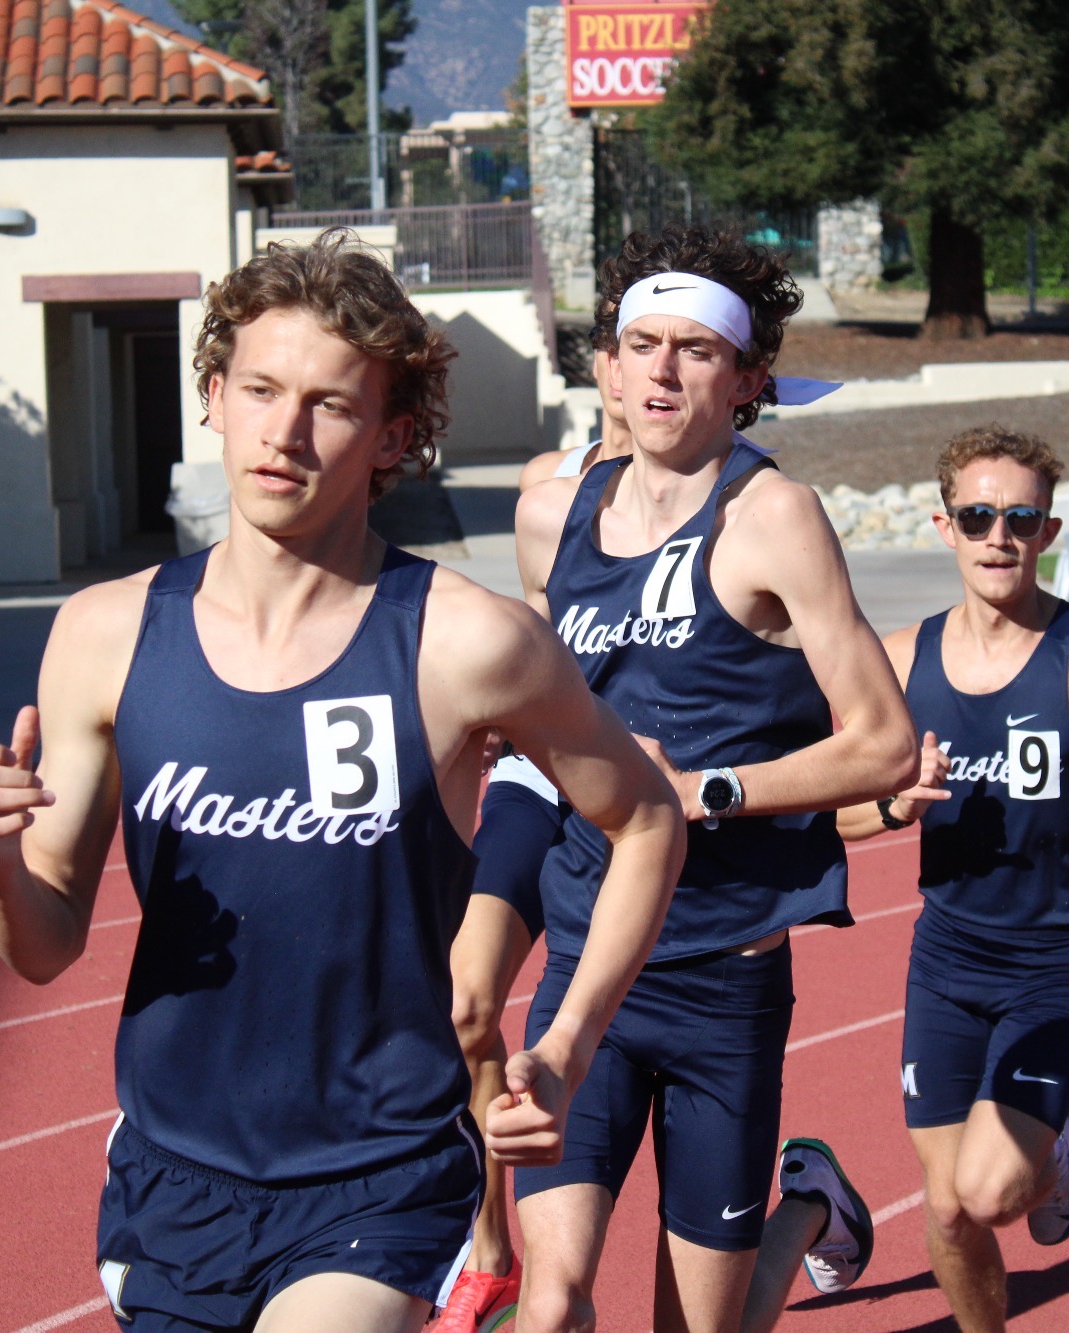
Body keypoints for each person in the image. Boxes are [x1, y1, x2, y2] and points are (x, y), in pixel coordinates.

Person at [0, 233, 686, 1333]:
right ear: (212, 395)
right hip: (172, 1168)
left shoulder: (466, 643)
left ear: (393, 435)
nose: (283, 433)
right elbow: (42, 945)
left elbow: (646, 817)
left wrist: (565, 1048)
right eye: (259, 390)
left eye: (329, 406)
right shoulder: (103, 634)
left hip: (378, 1170)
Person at [509, 223, 919, 1332]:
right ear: (603, 364)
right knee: (547, 1304)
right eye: (639, 343)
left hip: (720, 978)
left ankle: (807, 1210)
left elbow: (883, 743)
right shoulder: (550, 517)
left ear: (743, 380)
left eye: (694, 350)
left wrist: (701, 792)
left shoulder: (769, 515)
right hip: (586, 959)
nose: (659, 368)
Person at [837, 425, 1069, 1332]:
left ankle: (1042, 1148)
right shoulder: (898, 659)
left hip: (1054, 962)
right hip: (946, 954)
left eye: (1020, 517)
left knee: (994, 1190)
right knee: (949, 1203)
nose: (998, 534)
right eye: (978, 515)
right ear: (944, 525)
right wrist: (894, 809)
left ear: (1046, 530)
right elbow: (828, 809)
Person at [440, 316, 636, 1333]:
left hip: (638, 786)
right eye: (621, 351)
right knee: (466, 1001)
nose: (638, 374)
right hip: (537, 772)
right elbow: (531, 639)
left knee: (636, 1008)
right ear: (598, 366)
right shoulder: (543, 492)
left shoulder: (732, 492)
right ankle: (488, 1244)